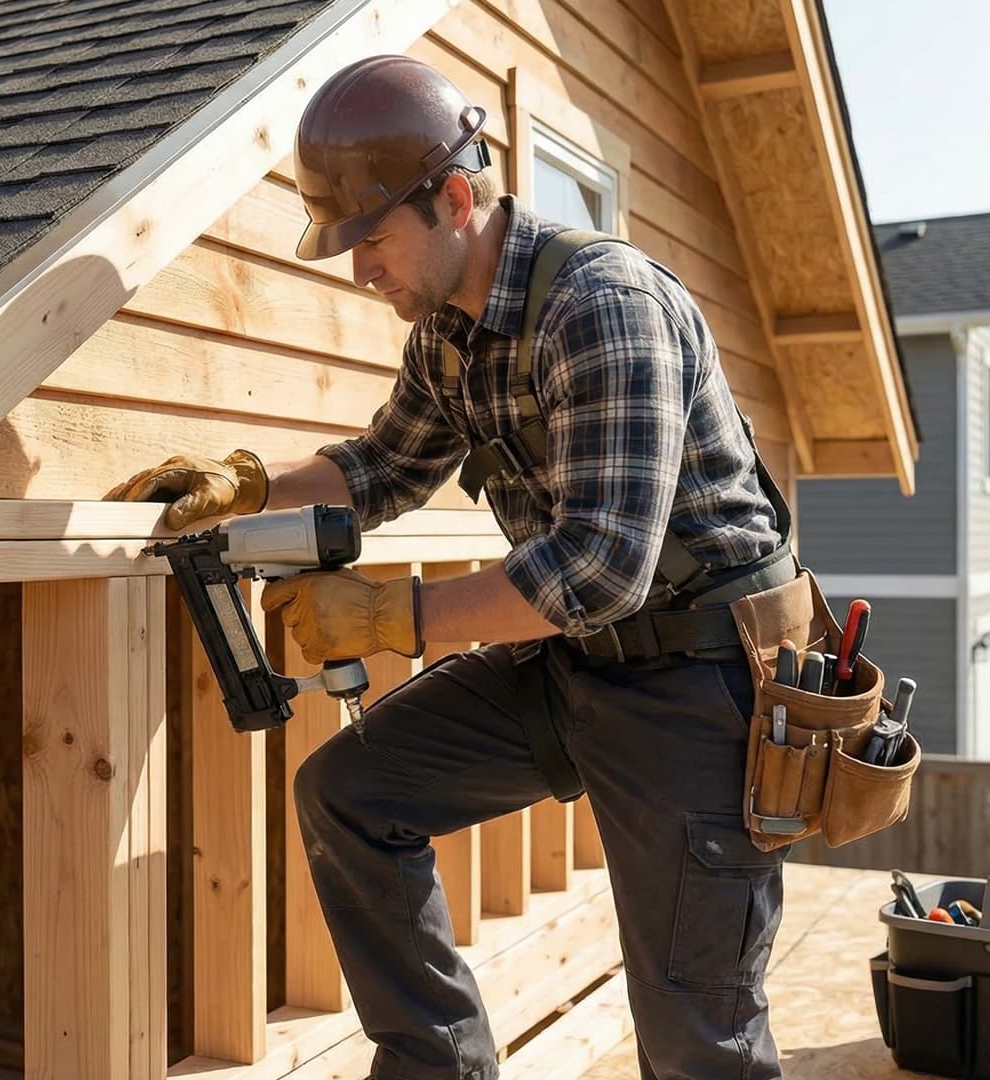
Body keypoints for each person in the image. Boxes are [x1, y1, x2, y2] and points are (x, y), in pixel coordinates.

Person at [107, 55, 800, 1080]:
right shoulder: (447, 334)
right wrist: (247, 483)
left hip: (700, 686)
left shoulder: (603, 307)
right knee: (351, 793)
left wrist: (391, 616)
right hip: (581, 665)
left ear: (458, 199)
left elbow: (600, 568)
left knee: (699, 1037)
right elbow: (381, 468)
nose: (360, 270)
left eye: (374, 238)